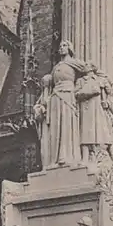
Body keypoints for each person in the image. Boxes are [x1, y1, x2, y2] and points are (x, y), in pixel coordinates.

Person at [33, 40, 87, 168]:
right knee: (57, 126)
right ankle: (56, 158)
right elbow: (50, 85)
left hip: (68, 94)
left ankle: (67, 156)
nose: (62, 48)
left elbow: (87, 69)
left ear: (70, 48)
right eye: (61, 46)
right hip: (55, 97)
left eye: (65, 45)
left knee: (67, 124)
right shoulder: (56, 66)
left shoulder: (74, 63)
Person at [75, 63, 113, 164]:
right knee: (85, 131)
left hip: (98, 109)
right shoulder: (80, 81)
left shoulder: (100, 80)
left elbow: (111, 94)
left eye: (87, 64)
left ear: (92, 68)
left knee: (101, 131)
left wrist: (108, 103)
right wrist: (89, 92)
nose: (85, 65)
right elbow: (76, 94)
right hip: (85, 109)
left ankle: (106, 156)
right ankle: (86, 156)